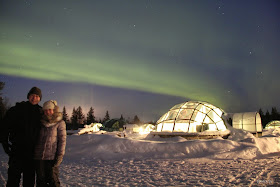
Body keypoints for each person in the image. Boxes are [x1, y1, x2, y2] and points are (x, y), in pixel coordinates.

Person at [0, 87, 43, 186]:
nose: (34, 98)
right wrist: (5, 145)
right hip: (17, 151)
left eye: (37, 96)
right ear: (28, 96)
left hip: (32, 154)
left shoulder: (41, 113)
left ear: (40, 98)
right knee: (13, 180)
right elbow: (4, 127)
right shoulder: (17, 109)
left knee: (29, 181)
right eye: (32, 95)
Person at [34, 100, 66, 187]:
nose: (47, 112)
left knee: (53, 181)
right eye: (45, 110)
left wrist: (60, 155)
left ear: (54, 110)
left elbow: (62, 140)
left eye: (50, 109)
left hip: (51, 157)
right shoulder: (41, 122)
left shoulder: (60, 123)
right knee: (40, 181)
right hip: (39, 157)